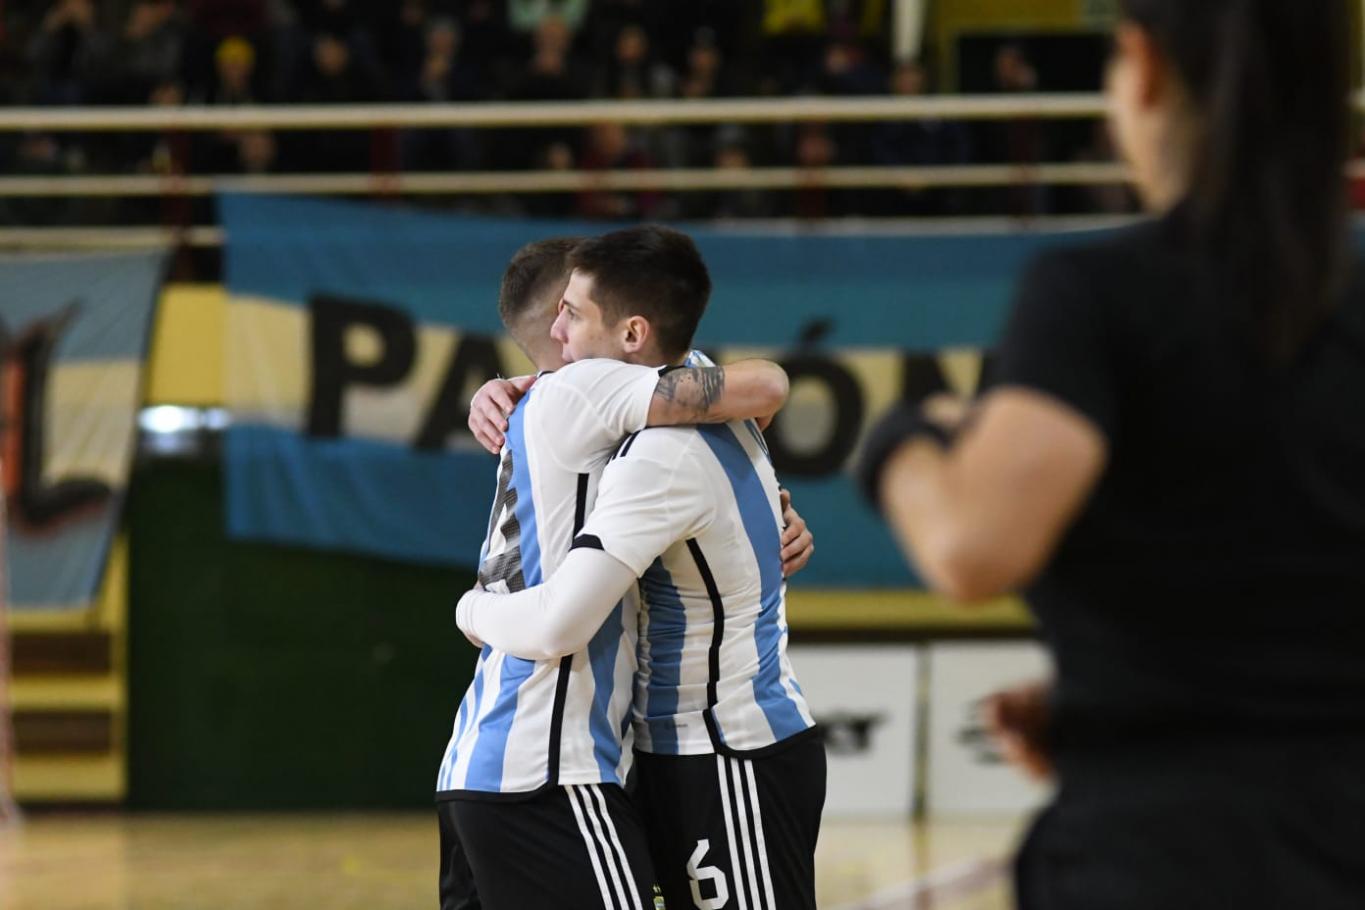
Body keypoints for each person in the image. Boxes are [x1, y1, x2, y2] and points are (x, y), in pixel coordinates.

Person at [856, 2, 1365, 908]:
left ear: (1141, 64)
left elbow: (971, 545)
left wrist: (904, 439)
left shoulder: (1099, 296)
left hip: (1157, 859)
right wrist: (1123, 699)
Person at [457, 226, 827, 910]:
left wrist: (468, 608)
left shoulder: (649, 433)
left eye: (575, 313)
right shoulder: (626, 399)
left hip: (711, 744)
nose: (561, 335)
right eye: (559, 314)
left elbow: (763, 389)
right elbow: (767, 383)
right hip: (574, 755)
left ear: (631, 335)